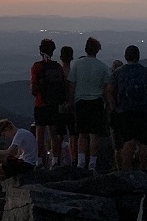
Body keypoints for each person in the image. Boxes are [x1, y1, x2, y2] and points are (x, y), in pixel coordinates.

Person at [111, 45, 147, 171]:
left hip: (125, 111)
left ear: (126, 57)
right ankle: (144, 170)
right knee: (144, 142)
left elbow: (109, 90)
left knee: (128, 141)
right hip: (145, 111)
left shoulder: (118, 73)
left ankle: (126, 172)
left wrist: (114, 106)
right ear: (138, 57)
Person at [67, 37, 113, 172]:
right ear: (97, 50)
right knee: (94, 135)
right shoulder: (103, 67)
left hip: (80, 103)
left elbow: (71, 85)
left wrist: (70, 101)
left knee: (81, 134)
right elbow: (106, 90)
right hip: (96, 103)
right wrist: (109, 105)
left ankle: (81, 163)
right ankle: (92, 164)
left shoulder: (77, 65)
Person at [30, 38, 66, 168]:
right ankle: (55, 161)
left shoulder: (37, 67)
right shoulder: (58, 67)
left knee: (40, 135)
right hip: (54, 104)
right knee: (53, 134)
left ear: (40, 51)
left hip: (40, 104)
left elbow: (33, 89)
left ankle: (39, 162)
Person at [0, 118, 38, 190]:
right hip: (24, 162)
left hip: (27, 165)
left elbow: (8, 152)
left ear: (7, 129)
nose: (5, 138)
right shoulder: (22, 133)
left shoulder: (19, 134)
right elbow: (18, 155)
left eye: (4, 135)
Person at [56, 45, 77, 165]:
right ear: (72, 57)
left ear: (60, 57)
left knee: (59, 135)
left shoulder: (57, 73)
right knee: (73, 134)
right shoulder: (73, 73)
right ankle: (74, 159)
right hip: (72, 108)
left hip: (59, 108)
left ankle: (56, 159)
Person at [109, 59, 125, 170]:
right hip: (128, 113)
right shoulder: (126, 80)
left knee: (118, 145)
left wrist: (112, 109)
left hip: (115, 114)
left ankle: (119, 169)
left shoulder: (111, 80)